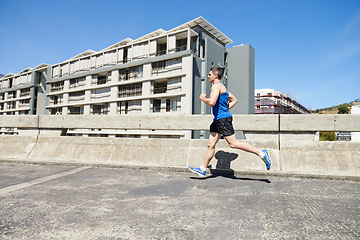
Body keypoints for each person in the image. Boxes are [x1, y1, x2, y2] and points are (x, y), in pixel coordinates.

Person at [188, 67, 272, 177]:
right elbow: (234, 100)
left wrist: (203, 98)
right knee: (210, 144)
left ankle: (262, 153)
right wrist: (226, 109)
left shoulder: (216, 86)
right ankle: (202, 169)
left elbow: (212, 102)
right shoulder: (223, 88)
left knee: (233, 144)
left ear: (215, 75)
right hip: (217, 120)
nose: (208, 76)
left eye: (209, 74)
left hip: (222, 120)